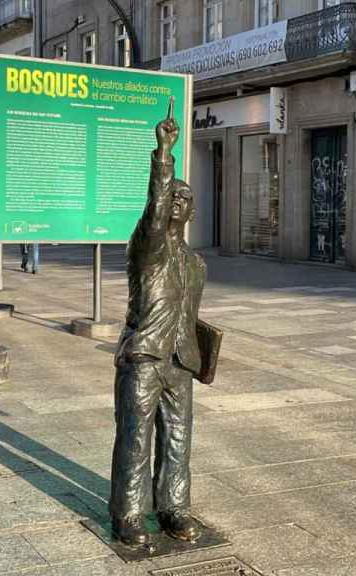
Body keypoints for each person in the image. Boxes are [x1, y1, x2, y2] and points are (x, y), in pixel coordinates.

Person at [109, 105, 206, 549]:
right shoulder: (148, 246)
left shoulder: (195, 263)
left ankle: (173, 507)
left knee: (178, 439)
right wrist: (164, 155)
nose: (179, 204)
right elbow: (155, 208)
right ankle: (129, 512)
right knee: (134, 436)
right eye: (175, 198)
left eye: (187, 200)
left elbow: (186, 313)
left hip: (180, 360)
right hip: (145, 355)